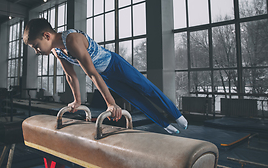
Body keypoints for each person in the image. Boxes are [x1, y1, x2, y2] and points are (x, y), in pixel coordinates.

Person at [23, 18, 188, 134]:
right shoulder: (56, 50)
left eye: (36, 46)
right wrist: (77, 101)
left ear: (46, 36)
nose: (37, 51)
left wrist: (111, 104)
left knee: (146, 88)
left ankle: (176, 115)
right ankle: (164, 124)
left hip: (115, 65)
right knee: (135, 99)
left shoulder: (72, 40)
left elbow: (91, 73)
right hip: (106, 76)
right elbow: (70, 76)